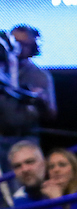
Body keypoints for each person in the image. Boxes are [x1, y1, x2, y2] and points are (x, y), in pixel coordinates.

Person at [0, 25, 55, 170]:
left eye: (23, 45)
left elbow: (51, 113)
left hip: (24, 138)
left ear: (32, 47)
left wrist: (41, 100)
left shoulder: (40, 76)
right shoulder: (2, 71)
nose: (17, 48)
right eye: (14, 42)